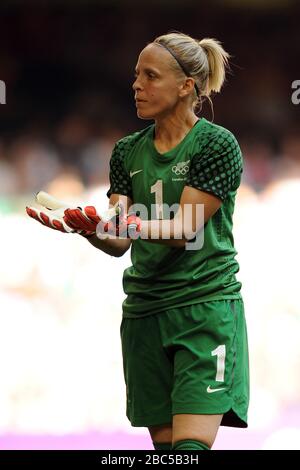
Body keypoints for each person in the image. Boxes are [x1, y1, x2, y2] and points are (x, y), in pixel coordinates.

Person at [26, 32, 249, 451]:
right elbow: (118, 242)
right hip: (146, 312)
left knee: (190, 450)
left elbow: (186, 229)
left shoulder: (218, 145)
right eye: (136, 75)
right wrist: (88, 229)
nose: (136, 85)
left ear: (186, 86)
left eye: (150, 76)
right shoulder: (126, 152)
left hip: (203, 308)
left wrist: (121, 225)